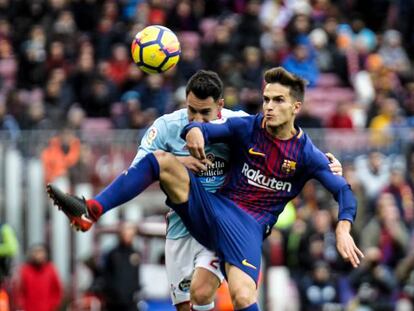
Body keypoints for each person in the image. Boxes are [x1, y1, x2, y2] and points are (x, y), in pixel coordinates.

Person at [47, 67, 359, 311]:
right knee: (161, 161)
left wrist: (343, 228)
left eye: (278, 100)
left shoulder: (307, 155)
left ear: (296, 107)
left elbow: (344, 192)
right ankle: (92, 211)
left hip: (248, 228)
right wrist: (195, 131)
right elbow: (208, 126)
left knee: (235, 295)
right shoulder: (246, 127)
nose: (269, 106)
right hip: (212, 209)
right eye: (266, 99)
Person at [102, 222, 141, 311]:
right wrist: (110, 294)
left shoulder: (135, 254)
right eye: (125, 233)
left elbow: (136, 277)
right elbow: (106, 276)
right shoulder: (112, 254)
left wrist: (136, 291)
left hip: (130, 303)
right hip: (114, 303)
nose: (127, 236)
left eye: (130, 234)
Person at [13, 244, 63, 311]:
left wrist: (53, 305)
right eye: (36, 252)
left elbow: (57, 290)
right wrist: (22, 305)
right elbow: (19, 290)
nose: (38, 255)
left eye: (41, 252)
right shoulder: (25, 270)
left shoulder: (51, 269)